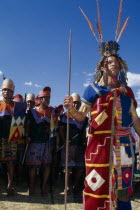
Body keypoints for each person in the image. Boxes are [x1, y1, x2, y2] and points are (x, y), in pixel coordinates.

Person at [25, 87, 58, 196]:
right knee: (33, 166)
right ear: (40, 99)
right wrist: (26, 136)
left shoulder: (53, 111)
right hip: (35, 142)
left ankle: (44, 187)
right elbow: (27, 126)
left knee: (47, 166)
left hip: (47, 143)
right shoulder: (33, 111)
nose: (48, 99)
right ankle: (32, 186)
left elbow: (55, 126)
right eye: (45, 98)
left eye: (49, 98)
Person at [0, 79, 26, 196]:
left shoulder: (18, 107)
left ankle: (10, 186)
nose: (6, 92)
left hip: (11, 139)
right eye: (4, 89)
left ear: (13, 92)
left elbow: (21, 125)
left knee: (11, 163)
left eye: (9, 90)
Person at [59, 93, 88, 194]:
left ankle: (75, 185)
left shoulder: (84, 118)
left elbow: (84, 131)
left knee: (79, 167)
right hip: (68, 145)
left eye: (78, 103)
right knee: (67, 167)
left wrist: (85, 142)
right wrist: (64, 141)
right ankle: (66, 186)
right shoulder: (64, 116)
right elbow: (61, 130)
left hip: (79, 145)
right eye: (74, 102)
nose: (76, 105)